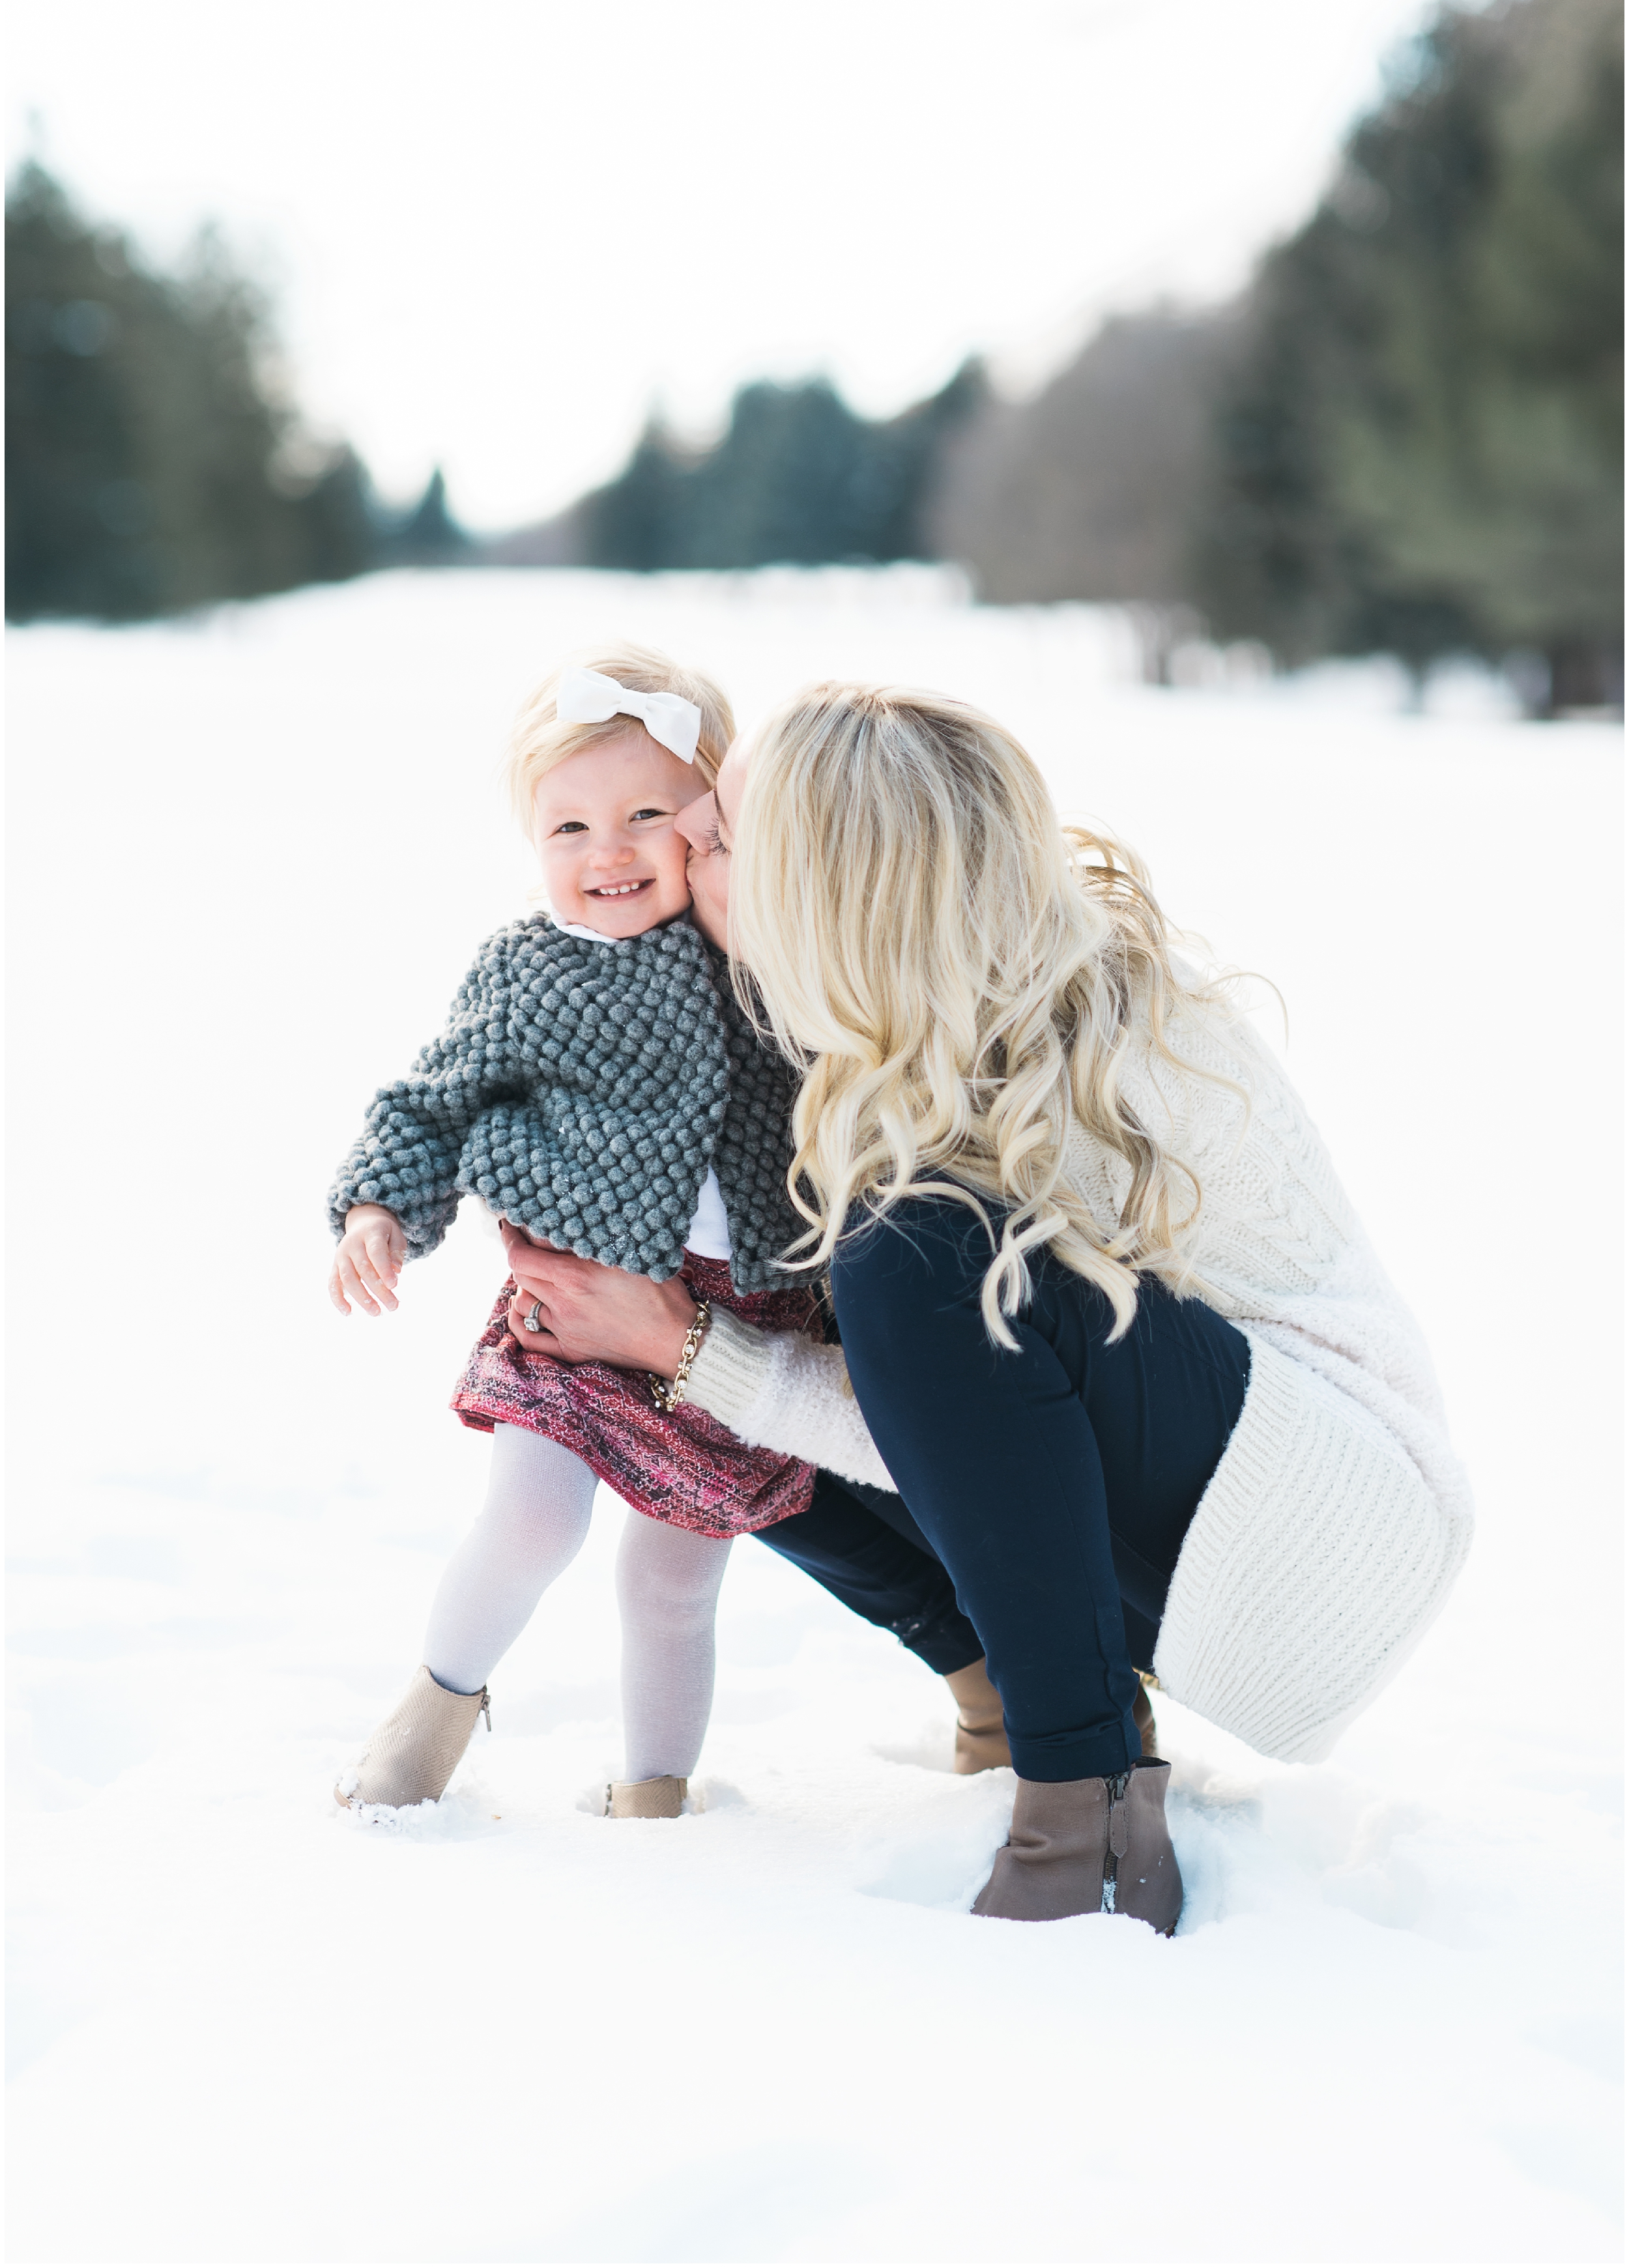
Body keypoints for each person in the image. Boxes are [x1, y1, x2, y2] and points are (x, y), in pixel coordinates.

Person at [506, 685, 1473, 1930]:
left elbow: (976, 1421)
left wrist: (694, 1348)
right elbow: (967, 1429)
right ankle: (1011, 1696)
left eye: (727, 829)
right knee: (749, 1297)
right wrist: (666, 1335)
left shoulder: (1080, 1020)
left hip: (1328, 1530)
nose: (687, 823)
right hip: (1199, 1538)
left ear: (830, 887)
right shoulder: (873, 1028)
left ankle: (1086, 1814)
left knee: (899, 1257)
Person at [328, 647, 827, 1820]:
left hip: (731, 1321)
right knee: (532, 1519)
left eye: (647, 814)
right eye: (569, 827)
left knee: (673, 1579)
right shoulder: (531, 971)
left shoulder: (759, 962)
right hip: (572, 1308)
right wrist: (381, 1204)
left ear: (710, 823)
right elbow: (430, 1101)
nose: (608, 852)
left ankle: (657, 1786)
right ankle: (431, 1716)